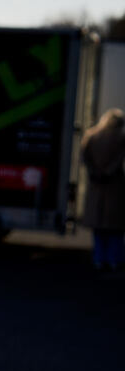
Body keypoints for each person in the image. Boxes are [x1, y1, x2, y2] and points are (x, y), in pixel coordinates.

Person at [81, 108, 125, 270]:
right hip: (114, 186)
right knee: (115, 229)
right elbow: (119, 159)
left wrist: (94, 172)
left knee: (98, 228)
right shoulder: (120, 138)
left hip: (96, 186)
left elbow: (85, 158)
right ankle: (115, 259)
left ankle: (99, 258)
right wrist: (108, 173)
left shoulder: (91, 135)